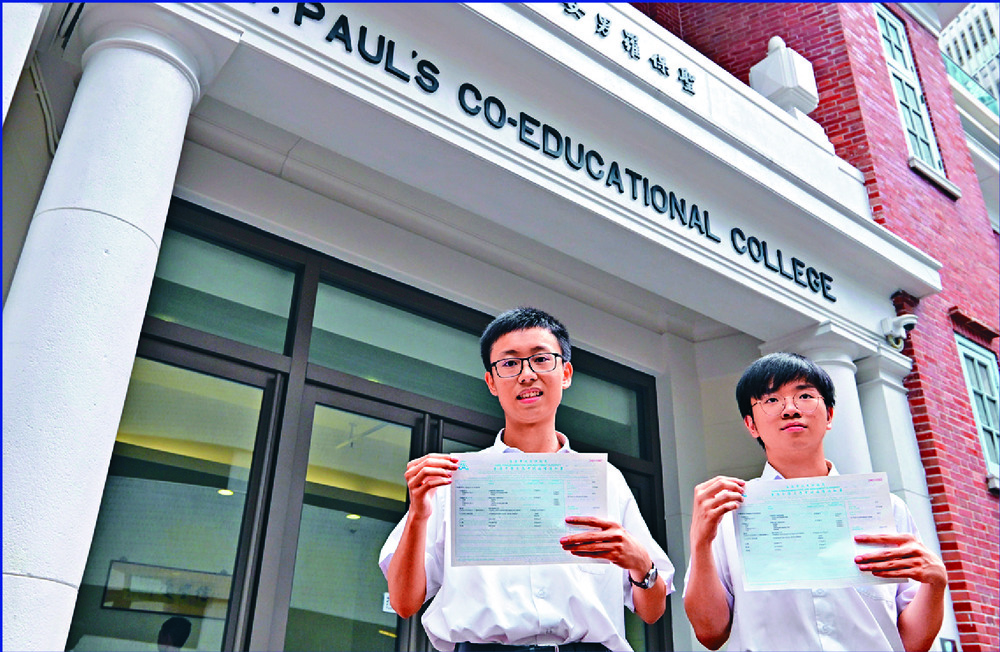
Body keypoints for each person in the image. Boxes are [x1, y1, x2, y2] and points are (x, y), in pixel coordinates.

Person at [379, 306, 674, 652]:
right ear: (491, 382)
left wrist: (641, 563)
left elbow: (652, 612)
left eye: (540, 359)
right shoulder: (453, 478)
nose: (527, 375)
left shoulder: (606, 481)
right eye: (509, 363)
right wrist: (418, 514)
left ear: (565, 373)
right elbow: (404, 602)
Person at [683, 352, 947, 651]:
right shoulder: (729, 512)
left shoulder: (886, 509)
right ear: (751, 425)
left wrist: (935, 583)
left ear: (830, 415)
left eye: (805, 396)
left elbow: (913, 642)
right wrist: (700, 542)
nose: (791, 410)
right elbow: (710, 633)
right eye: (771, 400)